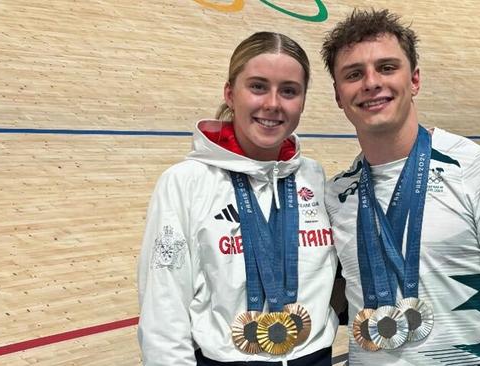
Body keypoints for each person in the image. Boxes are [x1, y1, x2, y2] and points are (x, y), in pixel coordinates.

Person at [321, 9, 480, 365]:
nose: (371, 82)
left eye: (386, 67)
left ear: (414, 80)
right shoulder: (336, 195)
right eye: (354, 74)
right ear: (338, 96)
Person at [137, 31, 339, 365]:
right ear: (231, 94)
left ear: (302, 101)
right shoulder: (185, 183)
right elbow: (163, 315)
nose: (273, 103)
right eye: (258, 86)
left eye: (288, 91)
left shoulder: (313, 177)